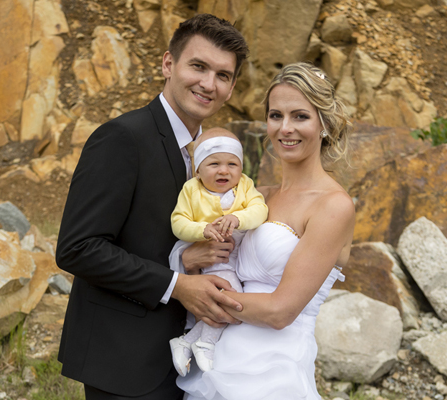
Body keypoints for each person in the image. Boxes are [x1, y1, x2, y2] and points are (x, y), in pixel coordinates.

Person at [54, 14, 249, 400]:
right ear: (168, 64)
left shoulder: (214, 157)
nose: (209, 84)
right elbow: (78, 248)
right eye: (198, 66)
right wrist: (178, 285)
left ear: (231, 88)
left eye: (223, 75)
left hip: (187, 362)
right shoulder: (122, 138)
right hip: (124, 360)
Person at [176, 63, 356, 399]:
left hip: (274, 370)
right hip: (221, 359)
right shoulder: (258, 196)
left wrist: (202, 295)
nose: (285, 128)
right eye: (276, 115)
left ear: (324, 124)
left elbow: (279, 311)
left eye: (300, 116)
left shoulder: (333, 206)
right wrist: (189, 260)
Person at [168, 128, 268, 376]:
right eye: (214, 164)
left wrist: (238, 217)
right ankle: (206, 343)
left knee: (223, 301)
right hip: (212, 257)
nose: (224, 171)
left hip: (236, 257)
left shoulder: (245, 185)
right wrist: (202, 230)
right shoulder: (192, 190)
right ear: (198, 170)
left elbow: (260, 209)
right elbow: (178, 222)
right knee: (231, 298)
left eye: (232, 164)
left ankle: (187, 341)